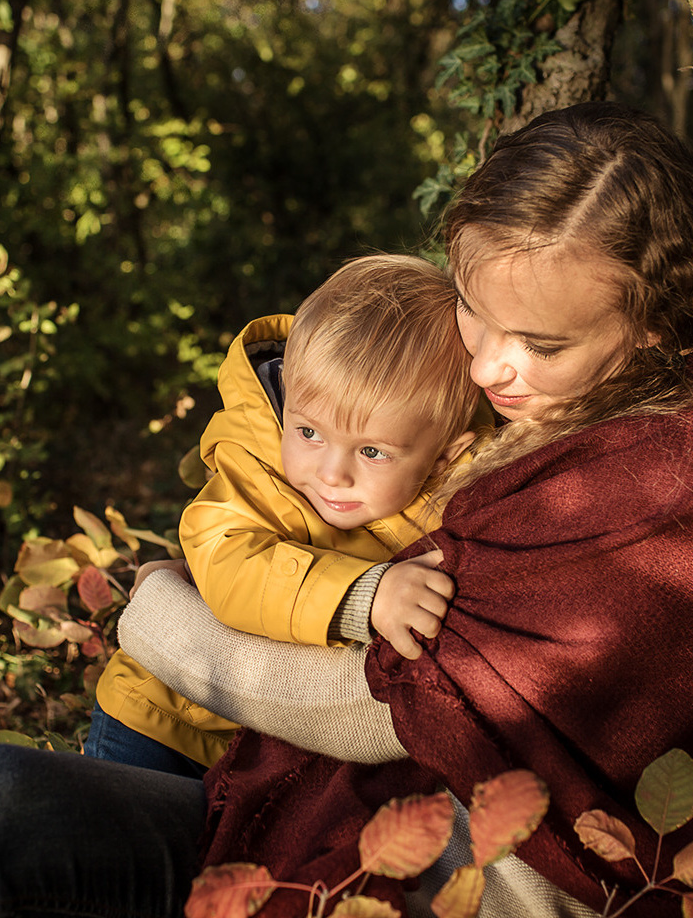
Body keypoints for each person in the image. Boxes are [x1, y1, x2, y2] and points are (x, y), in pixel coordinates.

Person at [0, 102, 693, 918]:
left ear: (653, 324)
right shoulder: (536, 408)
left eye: (540, 343)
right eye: (475, 315)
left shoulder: (658, 471)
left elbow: (394, 708)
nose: (489, 366)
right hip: (297, 809)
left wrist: (164, 621)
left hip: (427, 873)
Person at [88, 254, 479, 775]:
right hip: (164, 718)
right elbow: (230, 563)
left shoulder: (459, 500)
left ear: (446, 456)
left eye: (372, 452)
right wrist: (363, 595)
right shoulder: (257, 463)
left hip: (277, 748)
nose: (331, 473)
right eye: (310, 433)